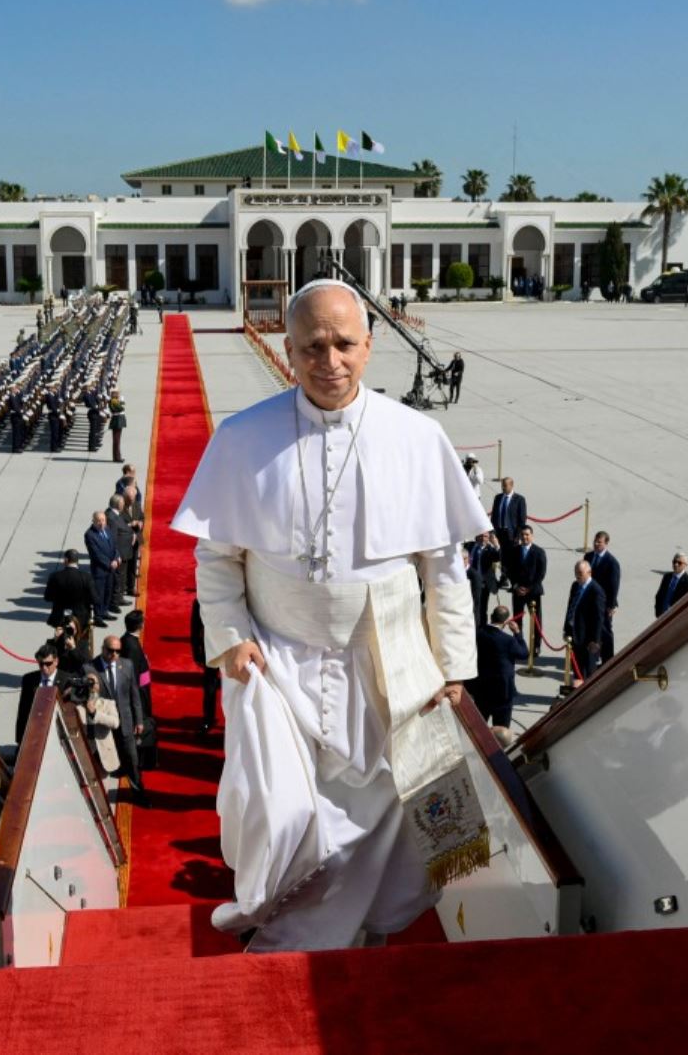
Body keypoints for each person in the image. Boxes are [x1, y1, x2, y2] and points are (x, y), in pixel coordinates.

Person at [171, 276, 490, 952]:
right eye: (312, 346)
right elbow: (217, 558)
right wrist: (231, 639)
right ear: (288, 350)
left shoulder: (417, 437)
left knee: (384, 817)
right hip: (279, 663)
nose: (330, 360)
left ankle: (358, 942)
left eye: (344, 343)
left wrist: (455, 665)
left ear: (369, 346)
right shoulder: (242, 438)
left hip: (387, 666)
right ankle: (292, 940)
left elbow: (444, 567)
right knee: (285, 814)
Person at [93, 636, 146, 799]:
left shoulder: (127, 665)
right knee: (105, 761)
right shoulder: (90, 667)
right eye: (111, 650)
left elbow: (134, 694)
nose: (114, 654)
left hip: (125, 722)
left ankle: (138, 794)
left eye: (118, 651)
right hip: (104, 725)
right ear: (103, 649)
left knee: (132, 760)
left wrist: (139, 720)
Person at [469, 606, 525, 742]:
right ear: (505, 622)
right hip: (502, 691)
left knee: (478, 727)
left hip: (481, 688)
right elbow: (523, 653)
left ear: (491, 617)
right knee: (501, 730)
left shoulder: (478, 634)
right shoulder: (508, 640)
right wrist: (517, 633)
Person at [15, 646, 77, 749]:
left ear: (56, 661)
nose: (44, 667)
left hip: (58, 732)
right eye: (41, 664)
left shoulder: (67, 680)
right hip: (36, 731)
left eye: (48, 664)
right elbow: (23, 710)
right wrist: (20, 740)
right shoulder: (29, 680)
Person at [122, 609, 156, 770]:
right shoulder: (133, 647)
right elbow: (133, 677)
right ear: (140, 625)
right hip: (139, 696)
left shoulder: (127, 640)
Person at [562, 558, 607, 683]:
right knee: (576, 668)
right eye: (576, 572)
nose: (577, 576)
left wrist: (595, 641)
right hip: (574, 633)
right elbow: (570, 607)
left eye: (580, 573)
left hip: (587, 640)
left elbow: (599, 618)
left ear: (589, 573)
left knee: (588, 672)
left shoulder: (596, 591)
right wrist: (566, 628)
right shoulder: (575, 586)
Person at [505, 524, 546, 655]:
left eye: (527, 535)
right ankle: (518, 644)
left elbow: (541, 574)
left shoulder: (539, 552)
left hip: (533, 592)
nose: (524, 537)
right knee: (517, 619)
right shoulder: (514, 551)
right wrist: (516, 586)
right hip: (517, 591)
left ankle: (536, 646)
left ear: (532, 536)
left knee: (536, 620)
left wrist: (528, 589)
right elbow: (509, 570)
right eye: (522, 535)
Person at [585, 531, 621, 659]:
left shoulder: (612, 563)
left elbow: (614, 586)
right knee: (590, 628)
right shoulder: (588, 557)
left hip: (604, 604)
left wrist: (611, 606)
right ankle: (591, 656)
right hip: (589, 601)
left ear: (606, 543)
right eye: (595, 541)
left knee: (605, 631)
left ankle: (608, 659)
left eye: (599, 542)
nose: (596, 544)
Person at [44, 548, 96, 635]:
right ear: (77, 561)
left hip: (60, 617)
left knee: (60, 639)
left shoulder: (55, 576)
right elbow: (94, 598)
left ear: (66, 560)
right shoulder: (86, 577)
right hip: (81, 618)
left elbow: (48, 597)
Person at [190, 594, 220, 735]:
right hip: (210, 648)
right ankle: (208, 718)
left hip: (230, 647)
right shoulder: (200, 601)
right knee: (210, 687)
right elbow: (195, 628)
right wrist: (197, 651)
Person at [84, 511, 120, 626]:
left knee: (108, 591)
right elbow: (96, 554)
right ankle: (98, 616)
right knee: (99, 593)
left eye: (103, 520)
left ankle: (104, 611)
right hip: (100, 570)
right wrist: (110, 563)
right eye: (98, 520)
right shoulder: (90, 535)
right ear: (93, 521)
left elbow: (114, 546)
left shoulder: (107, 530)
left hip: (111, 568)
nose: (101, 523)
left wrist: (116, 558)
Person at [106, 494, 136, 609]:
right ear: (118, 504)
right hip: (120, 553)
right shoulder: (111, 517)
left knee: (121, 577)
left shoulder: (115, 515)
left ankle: (119, 598)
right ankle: (115, 601)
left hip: (124, 552)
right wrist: (116, 555)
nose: (124, 504)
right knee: (118, 578)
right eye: (122, 502)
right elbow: (113, 538)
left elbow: (121, 528)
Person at [489, 477, 527, 548]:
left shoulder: (519, 499)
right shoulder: (498, 498)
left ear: (511, 485)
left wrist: (518, 536)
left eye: (505, 485)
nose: (503, 488)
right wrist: (492, 532)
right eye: (502, 486)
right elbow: (494, 516)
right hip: (499, 533)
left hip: (511, 535)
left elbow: (522, 520)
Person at [655, 553, 688, 618]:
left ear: (685, 565)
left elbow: (687, 604)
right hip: (662, 615)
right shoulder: (667, 577)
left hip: (676, 617)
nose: (676, 564)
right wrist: (658, 612)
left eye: (679, 563)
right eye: (674, 562)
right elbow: (659, 595)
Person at [109, 392, 128, 461]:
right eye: (117, 394)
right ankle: (117, 457)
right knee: (117, 440)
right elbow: (121, 408)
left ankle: (117, 456)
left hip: (117, 419)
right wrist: (121, 402)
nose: (119, 396)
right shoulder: (114, 401)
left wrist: (121, 402)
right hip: (117, 420)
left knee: (117, 440)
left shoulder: (115, 401)